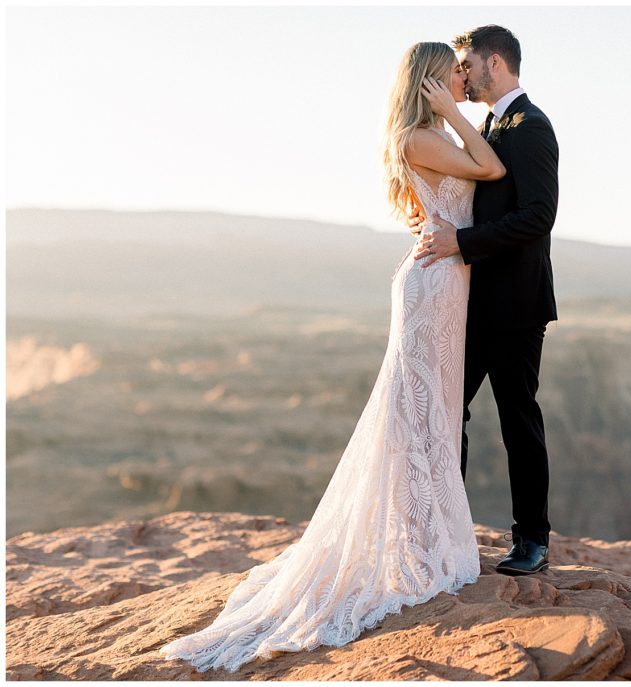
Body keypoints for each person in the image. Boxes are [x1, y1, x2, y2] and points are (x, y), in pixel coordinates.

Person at [157, 41, 504, 674]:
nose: (463, 79)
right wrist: (457, 115)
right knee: (418, 410)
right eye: (454, 74)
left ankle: (425, 536)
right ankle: (422, 544)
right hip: (432, 286)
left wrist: (453, 114)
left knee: (435, 407)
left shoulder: (430, 134)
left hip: (448, 281)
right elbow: (492, 171)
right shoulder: (421, 137)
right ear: (429, 80)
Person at [409, 24, 559, 577]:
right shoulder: (490, 126)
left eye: (468, 65)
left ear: (494, 64)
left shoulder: (531, 126)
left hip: (516, 305)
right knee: (451, 414)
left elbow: (539, 216)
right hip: (468, 300)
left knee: (518, 419)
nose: (463, 75)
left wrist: (463, 242)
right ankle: (450, 533)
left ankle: (533, 540)